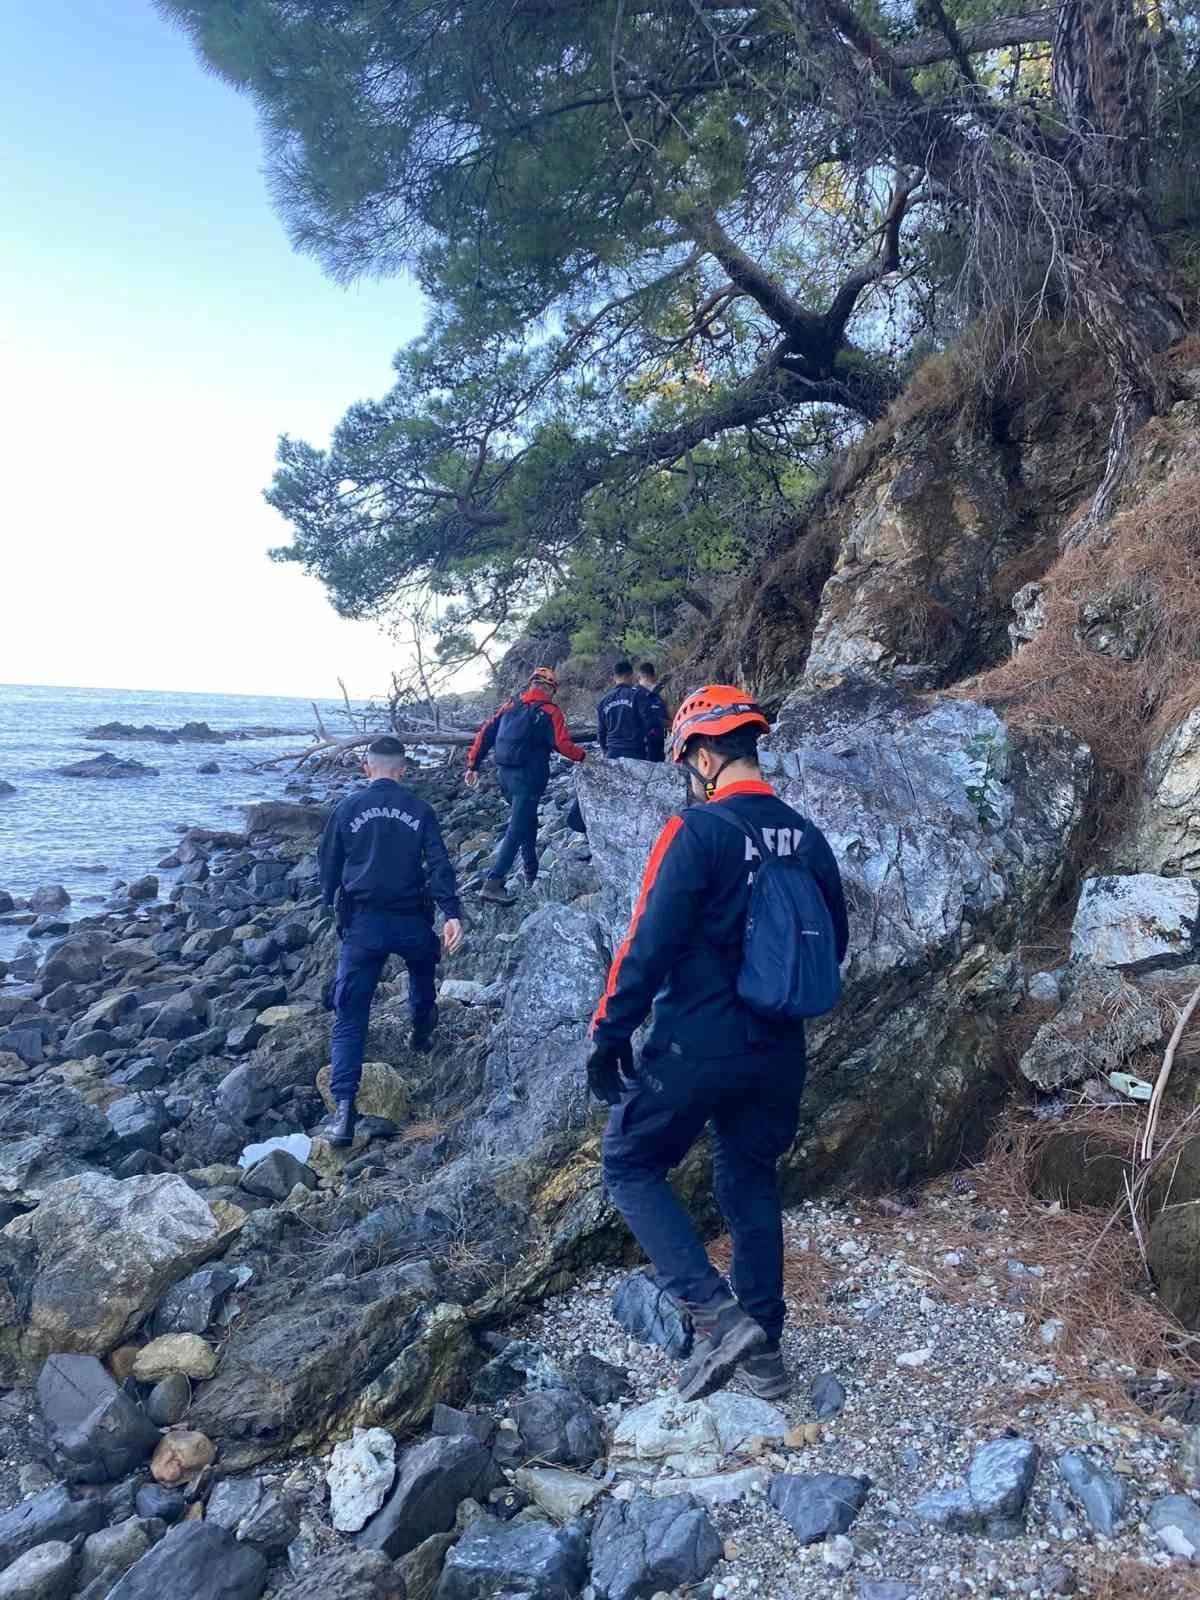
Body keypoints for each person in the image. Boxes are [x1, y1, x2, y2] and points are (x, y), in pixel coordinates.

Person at [586, 685, 848, 1401]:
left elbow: (644, 944)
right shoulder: (806, 835)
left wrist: (609, 1032)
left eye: (686, 761)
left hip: (696, 1042)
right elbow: (836, 942)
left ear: (702, 755)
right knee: (749, 1179)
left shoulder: (695, 831)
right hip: (779, 1049)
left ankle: (716, 1314)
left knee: (630, 1165)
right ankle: (765, 1355)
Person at [318, 735, 464, 1146]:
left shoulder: (347, 808)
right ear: (402, 770)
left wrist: (330, 907)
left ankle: (344, 1114)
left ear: (367, 768)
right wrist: (451, 913)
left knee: (350, 1016)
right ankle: (420, 1032)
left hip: (363, 925)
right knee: (421, 980)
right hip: (411, 920)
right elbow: (439, 865)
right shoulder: (419, 810)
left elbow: (328, 868)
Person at [466, 667, 586, 904]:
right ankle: (494, 881)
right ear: (551, 689)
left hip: (505, 777)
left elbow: (485, 732)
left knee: (527, 820)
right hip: (529, 778)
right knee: (518, 826)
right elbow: (563, 744)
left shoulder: (510, 705)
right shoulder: (550, 711)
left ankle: (530, 870)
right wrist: (584, 757)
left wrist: (473, 765)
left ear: (531, 684)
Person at [597, 660, 652, 760]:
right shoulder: (638, 696)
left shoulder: (603, 701)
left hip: (612, 754)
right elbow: (651, 724)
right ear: (631, 676)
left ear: (614, 677)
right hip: (636, 754)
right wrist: (653, 752)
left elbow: (601, 732)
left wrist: (605, 751)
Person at [636, 663, 668, 762]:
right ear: (639, 678)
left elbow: (663, 716)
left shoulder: (657, 697)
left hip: (659, 744)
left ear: (654, 677)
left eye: (651, 678)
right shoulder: (634, 696)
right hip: (643, 746)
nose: (650, 681)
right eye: (646, 678)